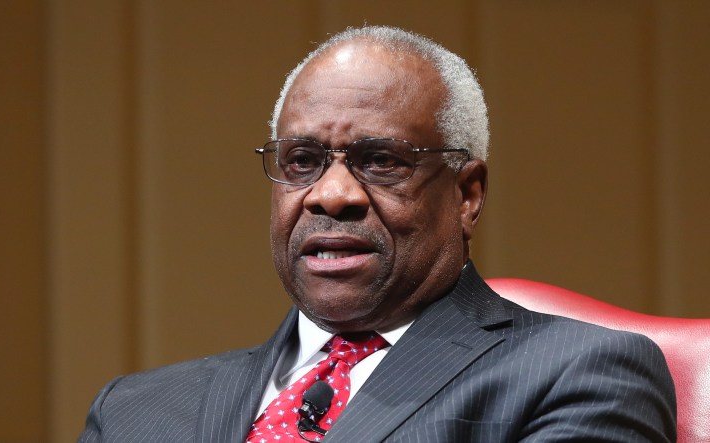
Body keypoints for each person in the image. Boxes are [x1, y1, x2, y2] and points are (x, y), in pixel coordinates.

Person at [79, 26, 676, 442]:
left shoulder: (580, 375)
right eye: (302, 161)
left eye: (382, 161)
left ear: (467, 195)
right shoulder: (134, 412)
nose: (331, 194)